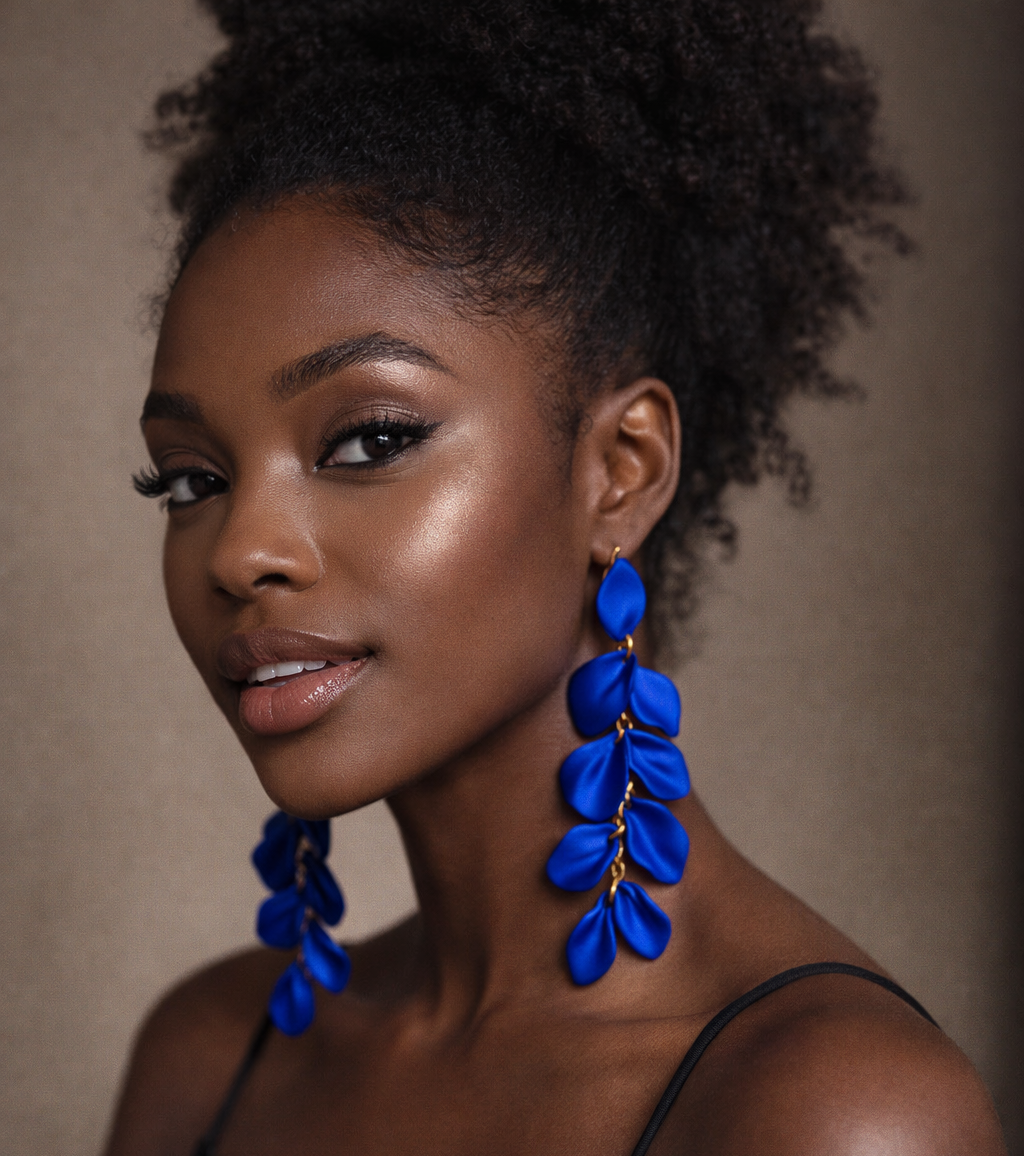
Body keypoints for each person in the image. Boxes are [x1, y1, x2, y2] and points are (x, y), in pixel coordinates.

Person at [103, 1, 1008, 1152]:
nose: (239, 552)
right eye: (189, 481)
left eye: (370, 438)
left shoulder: (827, 1111)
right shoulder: (208, 1056)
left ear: (619, 472)